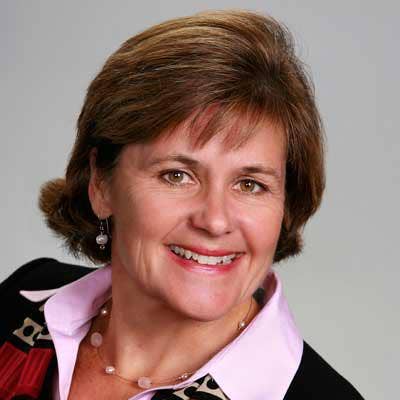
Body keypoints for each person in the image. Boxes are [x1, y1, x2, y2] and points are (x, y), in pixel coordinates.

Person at [0, 9, 364, 400]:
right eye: (177, 175)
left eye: (250, 184)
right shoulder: (20, 300)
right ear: (101, 183)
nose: (215, 220)